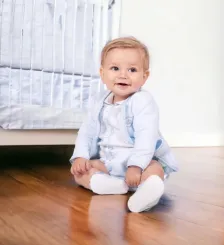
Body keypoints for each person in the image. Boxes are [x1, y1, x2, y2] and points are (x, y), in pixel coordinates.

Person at [69, 36, 178, 212]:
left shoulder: (143, 101)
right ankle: (110, 185)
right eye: (115, 68)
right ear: (102, 73)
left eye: (132, 70)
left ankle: (146, 193)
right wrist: (81, 156)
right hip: (109, 161)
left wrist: (135, 166)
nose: (123, 75)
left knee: (155, 168)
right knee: (80, 173)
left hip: (139, 162)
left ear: (145, 76)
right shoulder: (99, 101)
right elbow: (86, 132)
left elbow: (146, 136)